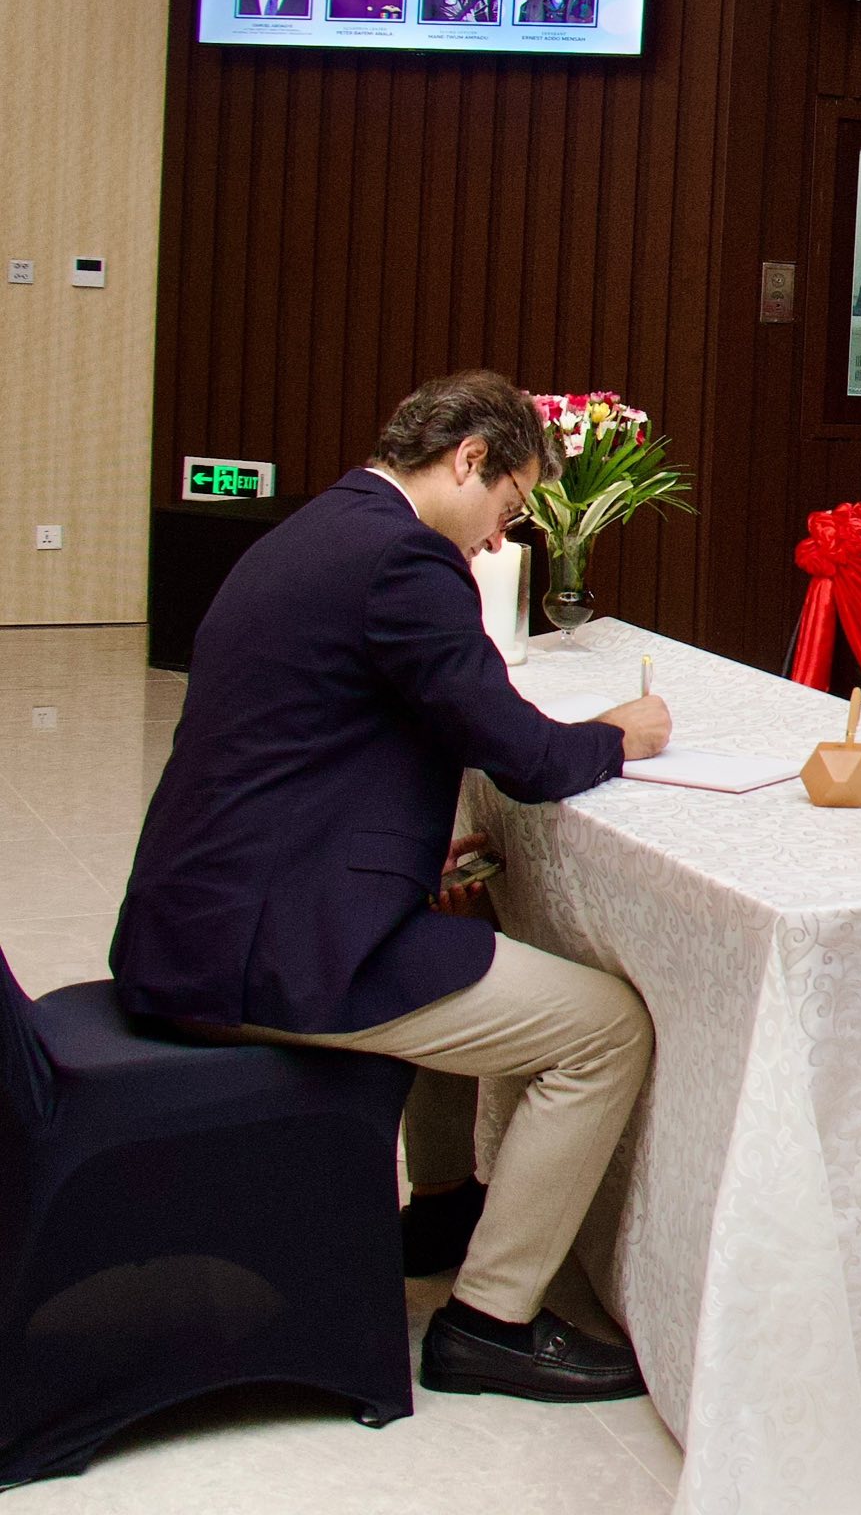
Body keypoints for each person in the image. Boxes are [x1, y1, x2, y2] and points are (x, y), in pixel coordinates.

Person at [112, 371, 671, 1403]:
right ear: (470, 458)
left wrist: (412, 858)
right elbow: (522, 756)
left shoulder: (317, 528)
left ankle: (445, 1211)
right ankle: (491, 1320)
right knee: (606, 1029)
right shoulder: (405, 560)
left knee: (455, 914)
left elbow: (312, 744)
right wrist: (618, 735)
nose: (499, 541)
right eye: (507, 508)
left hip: (206, 915)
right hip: (263, 951)